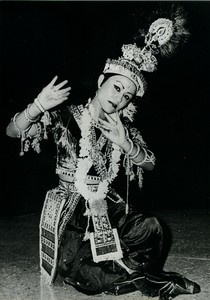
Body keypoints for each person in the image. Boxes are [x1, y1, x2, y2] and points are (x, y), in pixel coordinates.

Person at [6, 9, 201, 300]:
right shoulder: (65, 117)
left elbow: (150, 164)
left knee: (152, 228)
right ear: (100, 82)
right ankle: (154, 280)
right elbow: (12, 131)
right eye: (116, 87)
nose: (119, 98)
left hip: (107, 206)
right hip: (70, 212)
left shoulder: (123, 128)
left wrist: (126, 145)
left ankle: (138, 275)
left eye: (127, 96)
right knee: (94, 277)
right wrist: (37, 106)